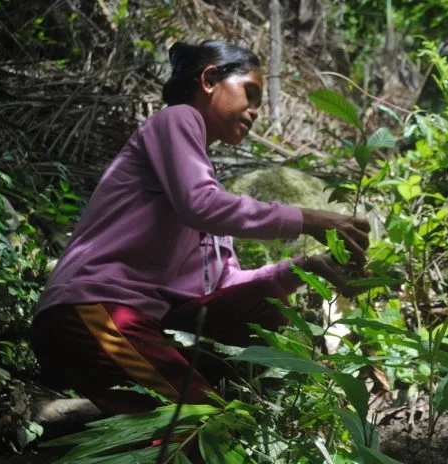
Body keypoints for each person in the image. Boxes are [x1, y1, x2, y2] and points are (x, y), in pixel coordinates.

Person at [31, 40, 370, 416]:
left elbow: (225, 286)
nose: (255, 112)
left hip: (140, 324)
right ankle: (139, 405)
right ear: (210, 79)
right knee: (200, 421)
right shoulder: (178, 119)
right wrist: (309, 218)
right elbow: (201, 205)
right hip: (92, 310)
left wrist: (308, 267)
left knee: (262, 302)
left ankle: (76, 419)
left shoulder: (204, 193)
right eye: (250, 93)